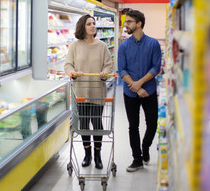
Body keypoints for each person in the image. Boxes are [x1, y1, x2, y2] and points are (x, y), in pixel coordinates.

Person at [64, 14, 112, 169]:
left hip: (98, 91)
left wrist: (105, 73)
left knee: (97, 123)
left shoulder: (102, 46)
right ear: (82, 27)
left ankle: (98, 155)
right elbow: (68, 65)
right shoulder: (75, 46)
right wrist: (73, 72)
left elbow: (108, 65)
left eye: (94, 23)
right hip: (81, 92)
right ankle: (87, 154)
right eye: (89, 24)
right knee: (84, 123)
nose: (93, 26)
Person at [117, 9, 161, 172]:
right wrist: (135, 87)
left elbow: (156, 67)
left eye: (129, 22)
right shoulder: (124, 46)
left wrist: (140, 84)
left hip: (148, 91)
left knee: (152, 124)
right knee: (133, 126)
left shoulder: (153, 44)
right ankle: (137, 159)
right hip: (130, 92)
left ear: (139, 24)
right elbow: (121, 70)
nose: (125, 24)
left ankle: (145, 146)